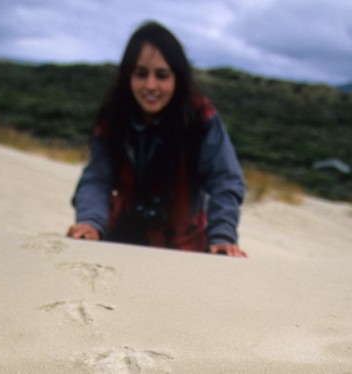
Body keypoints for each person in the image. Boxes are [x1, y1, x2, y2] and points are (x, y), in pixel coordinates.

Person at [67, 20, 246, 258]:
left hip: (184, 247)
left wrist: (222, 236)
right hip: (121, 239)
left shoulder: (200, 118)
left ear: (177, 77)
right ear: (128, 76)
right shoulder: (114, 116)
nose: (151, 86)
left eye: (162, 75)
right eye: (141, 74)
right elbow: (96, 178)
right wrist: (90, 222)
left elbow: (225, 180)